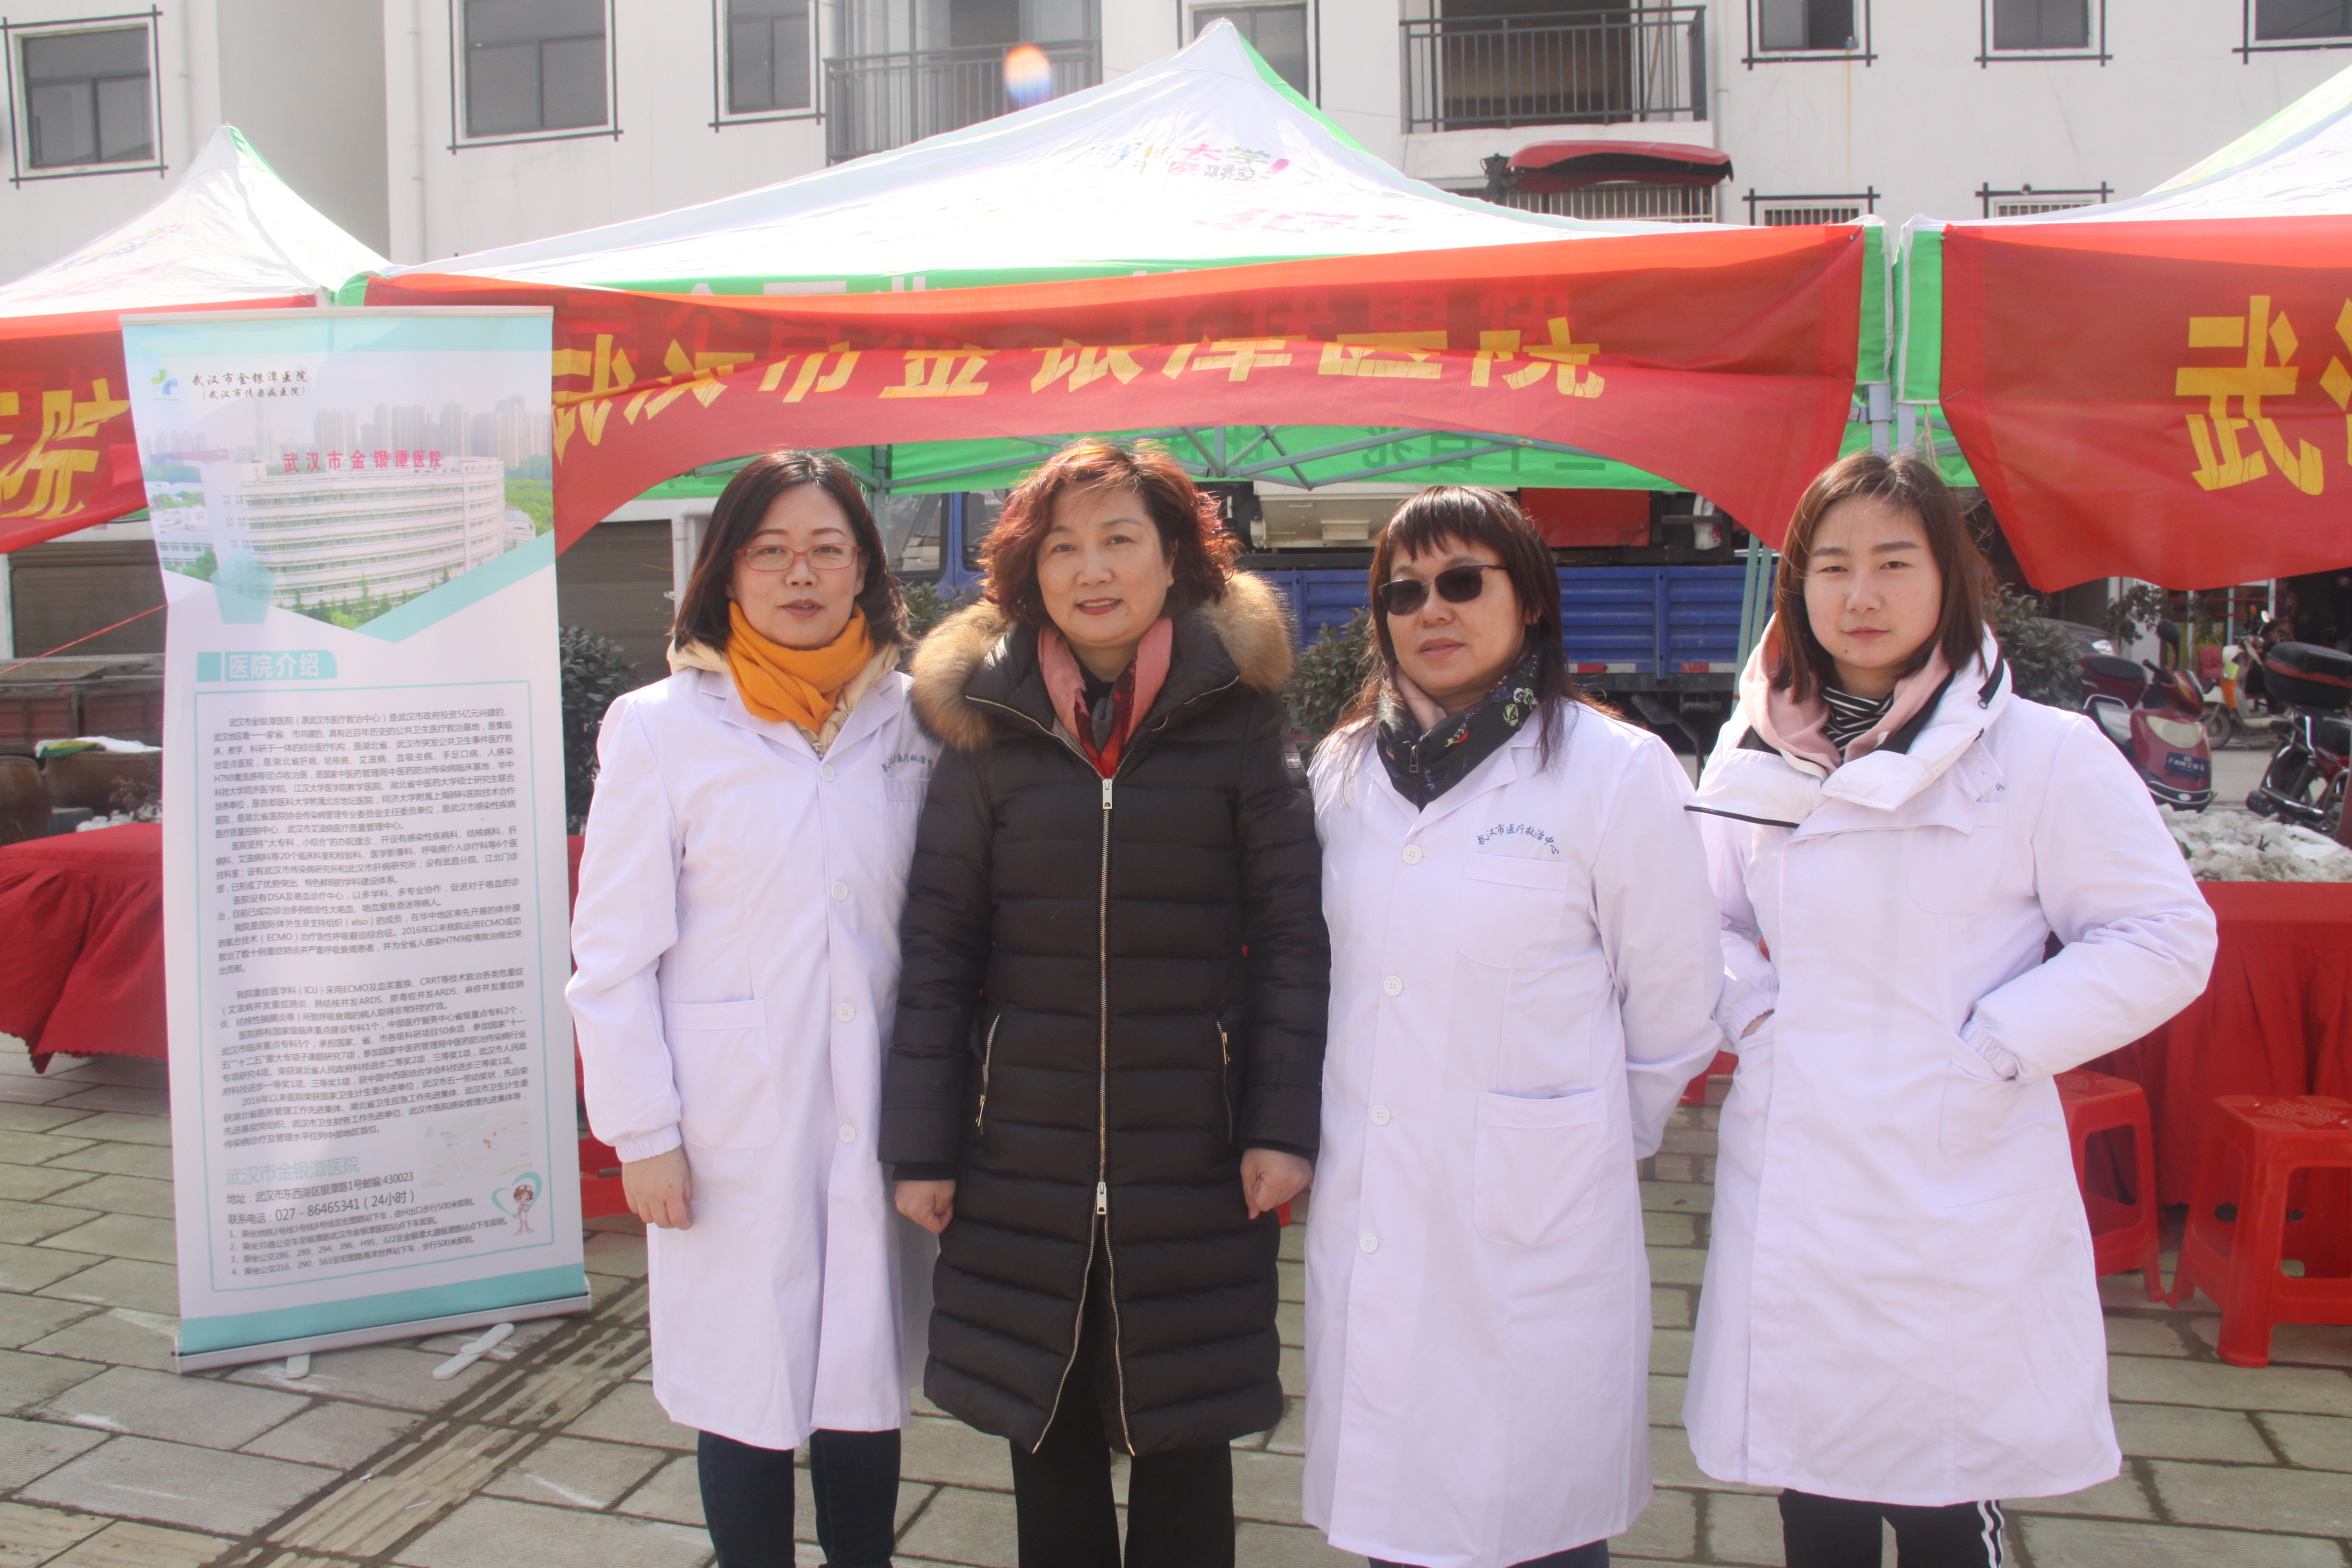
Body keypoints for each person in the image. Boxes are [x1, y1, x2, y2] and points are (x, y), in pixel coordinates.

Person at [1682, 451, 2218, 1567]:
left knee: (1941, 1486)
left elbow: (2164, 934)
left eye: (1894, 562)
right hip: (1801, 1160)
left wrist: (1995, 1047)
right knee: (1812, 1485)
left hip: (1953, 1160)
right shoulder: (1755, 748)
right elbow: (1701, 920)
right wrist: (1761, 1016)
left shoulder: (2041, 753)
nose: (1860, 595)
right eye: (1832, 566)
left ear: (1950, 578)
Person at [882, 439, 1328, 1568]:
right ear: (1027, 574)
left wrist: (1280, 1125)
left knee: (1186, 1438)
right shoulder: (987, 726)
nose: (1092, 570)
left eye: (1120, 538)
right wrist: (923, 1146)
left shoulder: (1238, 716)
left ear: (1174, 557)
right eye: (1062, 547)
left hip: (1195, 1147)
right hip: (1019, 1151)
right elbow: (940, 946)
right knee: (1047, 1439)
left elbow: (1290, 936)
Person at [1301, 486, 1726, 1568]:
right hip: (1376, 1195)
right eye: (1403, 593)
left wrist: (1578, 1140)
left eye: (1462, 581)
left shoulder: (1614, 770)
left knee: (1534, 1521)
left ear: (1530, 598)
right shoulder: (1342, 773)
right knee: (1398, 1516)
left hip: (1539, 1216)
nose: (1431, 610)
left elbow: (1677, 1003)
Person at [568, 450, 937, 1568]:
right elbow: (612, 956)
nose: (800, 574)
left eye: (828, 548)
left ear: (866, 569)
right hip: (729, 1120)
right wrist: (643, 1133)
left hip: (880, 1108)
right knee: (746, 1381)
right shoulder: (658, 726)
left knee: (862, 1377)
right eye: (770, 550)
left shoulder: (921, 720)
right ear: (726, 570)